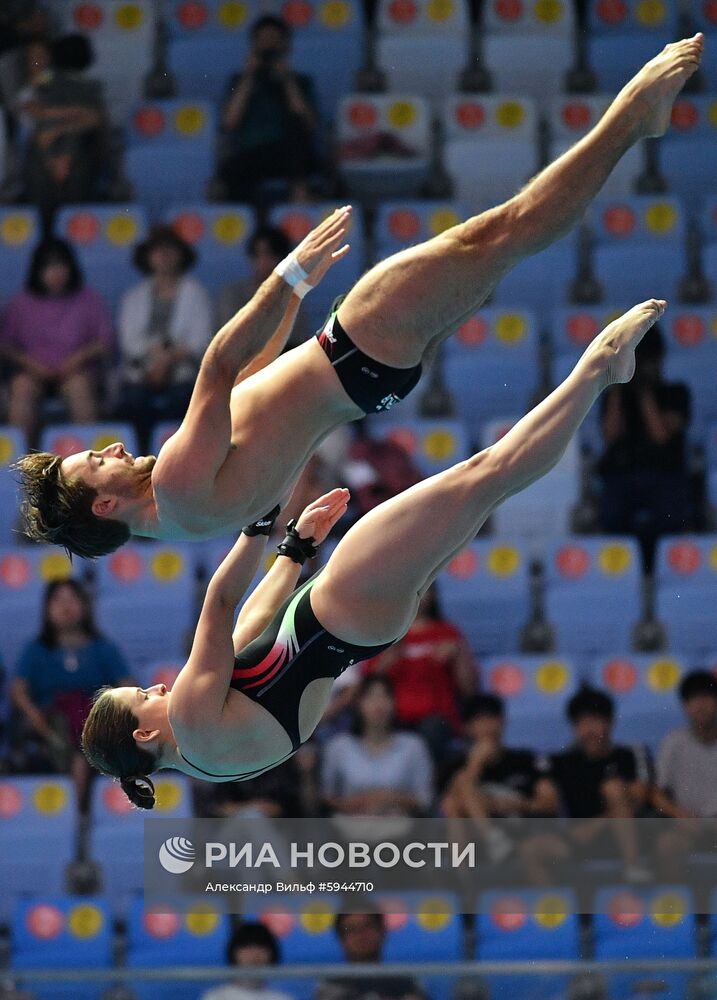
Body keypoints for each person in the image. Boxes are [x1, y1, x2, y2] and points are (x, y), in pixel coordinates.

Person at [18, 35, 704, 560]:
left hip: (369, 378)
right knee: (508, 229)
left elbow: (254, 382)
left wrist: (292, 302)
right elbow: (220, 366)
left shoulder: (184, 519)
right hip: (357, 346)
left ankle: (630, 125)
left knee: (506, 240)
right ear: (105, 505)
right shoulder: (171, 484)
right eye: (95, 461)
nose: (108, 445)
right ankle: (633, 119)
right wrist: (288, 275)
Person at [78, 298, 668, 807]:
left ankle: (596, 372)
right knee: (485, 473)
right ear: (142, 736)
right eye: (143, 697)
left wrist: (294, 547)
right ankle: (598, 368)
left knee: (488, 487)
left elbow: (250, 627)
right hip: (340, 601)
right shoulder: (187, 718)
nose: (157, 689)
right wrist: (259, 517)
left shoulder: (211, 755)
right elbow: (221, 601)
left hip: (361, 628)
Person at [9, 579, 132, 812]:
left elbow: (127, 685)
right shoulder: (35, 650)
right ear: (47, 608)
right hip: (48, 727)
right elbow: (17, 690)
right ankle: (77, 816)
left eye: (72, 599)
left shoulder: (103, 648)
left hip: (95, 723)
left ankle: (80, 817)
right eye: (58, 600)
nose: (66, 606)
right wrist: (35, 715)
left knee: (85, 744)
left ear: (84, 606)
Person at [522, 686, 651, 884]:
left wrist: (596, 825)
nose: (589, 730)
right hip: (580, 840)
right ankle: (554, 912)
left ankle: (632, 866)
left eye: (595, 721)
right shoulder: (562, 762)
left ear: (611, 723)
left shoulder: (632, 754)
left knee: (613, 788)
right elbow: (545, 801)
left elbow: (638, 799)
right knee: (531, 850)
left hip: (628, 835)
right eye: (581, 723)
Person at [596, 324, 691, 570]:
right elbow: (610, 435)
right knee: (612, 511)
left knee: (668, 512)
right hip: (624, 476)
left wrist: (645, 392)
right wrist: (617, 384)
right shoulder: (615, 395)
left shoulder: (676, 393)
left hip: (664, 475)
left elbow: (660, 435)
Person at [0, 236, 113, 442]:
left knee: (79, 387)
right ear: (38, 270)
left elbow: (105, 342)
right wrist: (30, 363)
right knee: (21, 388)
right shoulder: (20, 303)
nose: (56, 273)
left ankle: (91, 465)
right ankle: (21, 466)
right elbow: (6, 346)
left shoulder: (89, 299)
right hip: (33, 372)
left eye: (61, 266)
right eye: (49, 267)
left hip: (77, 372)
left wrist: (78, 358)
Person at [116, 225, 213, 447]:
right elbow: (129, 342)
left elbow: (202, 340)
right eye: (157, 251)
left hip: (184, 369)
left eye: (170, 250)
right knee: (133, 402)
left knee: (182, 400)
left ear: (181, 255)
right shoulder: (133, 296)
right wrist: (156, 358)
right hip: (143, 370)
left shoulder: (197, 293)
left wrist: (170, 359)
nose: (164, 256)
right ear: (147, 257)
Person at [360, 584, 476, 757]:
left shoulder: (448, 633)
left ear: (434, 594)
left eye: (424, 589)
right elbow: (367, 685)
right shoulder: (384, 634)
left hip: (437, 721)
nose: (417, 595)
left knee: (434, 730)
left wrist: (458, 656)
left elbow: (469, 690)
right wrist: (390, 656)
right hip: (393, 720)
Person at [441, 694, 558, 861]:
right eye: (479, 721)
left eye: (492, 718)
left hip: (521, 826)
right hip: (477, 838)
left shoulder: (526, 759)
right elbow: (447, 808)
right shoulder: (455, 765)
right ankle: (492, 841)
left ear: (503, 721)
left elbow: (550, 803)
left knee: (459, 789)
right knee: (456, 796)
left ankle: (494, 842)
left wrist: (512, 804)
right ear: (467, 728)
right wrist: (475, 764)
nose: (487, 727)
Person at [218, 14, 318, 204]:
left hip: (290, 154)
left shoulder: (301, 82)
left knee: (295, 128)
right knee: (231, 170)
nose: (269, 47)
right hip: (251, 153)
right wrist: (249, 76)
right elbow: (229, 123)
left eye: (274, 41)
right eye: (263, 41)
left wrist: (287, 80)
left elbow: (308, 124)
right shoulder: (239, 82)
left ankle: (300, 196)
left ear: (286, 46)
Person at [20, 33, 107, 220]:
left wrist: (57, 130)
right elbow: (33, 108)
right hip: (42, 158)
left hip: (68, 159)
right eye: (33, 58)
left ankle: (62, 161)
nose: (38, 62)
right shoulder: (45, 81)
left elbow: (94, 119)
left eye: (43, 56)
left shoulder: (83, 86)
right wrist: (70, 112)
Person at [320, 674, 434, 817]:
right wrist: (360, 802)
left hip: (401, 830)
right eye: (371, 696)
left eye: (384, 696)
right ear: (358, 704)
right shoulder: (338, 747)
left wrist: (389, 798)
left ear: (394, 702)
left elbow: (425, 800)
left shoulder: (414, 746)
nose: (378, 703)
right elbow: (325, 797)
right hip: (347, 830)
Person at [651, 671, 717, 880]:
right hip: (687, 824)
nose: (700, 705)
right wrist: (682, 816)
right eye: (693, 700)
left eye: (706, 698)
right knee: (666, 845)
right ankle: (674, 908)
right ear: (685, 706)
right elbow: (656, 794)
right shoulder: (674, 742)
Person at [217, 225, 310, 348]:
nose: (262, 261)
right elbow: (228, 338)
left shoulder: (292, 297)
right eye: (257, 254)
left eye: (269, 255)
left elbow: (297, 340)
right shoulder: (233, 294)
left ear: (282, 259)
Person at [315, 911, 425, 1000]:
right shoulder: (331, 988)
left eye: (367, 926)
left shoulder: (404, 985)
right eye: (351, 929)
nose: (360, 935)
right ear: (342, 940)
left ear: (382, 932)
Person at [201, 922, 291, 1000]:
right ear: (234, 953)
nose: (254, 955)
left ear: (272, 954)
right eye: (247, 947)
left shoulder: (282, 998)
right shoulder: (216, 997)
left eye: (260, 947)